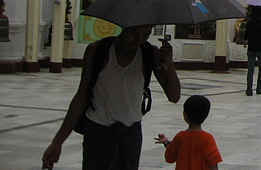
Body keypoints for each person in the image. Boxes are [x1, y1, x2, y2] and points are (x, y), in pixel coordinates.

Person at [42, 25, 181, 170]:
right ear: (124, 26)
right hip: (98, 132)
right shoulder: (98, 50)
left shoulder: (149, 53)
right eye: (134, 33)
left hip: (130, 134)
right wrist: (57, 142)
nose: (138, 40)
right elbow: (81, 96)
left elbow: (174, 96)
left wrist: (169, 64)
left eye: (145, 35)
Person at [155, 95, 222, 170]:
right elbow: (213, 164)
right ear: (205, 115)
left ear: (185, 115)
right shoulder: (208, 138)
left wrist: (167, 143)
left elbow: (170, 158)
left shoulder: (180, 137)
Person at [244, 5, 261, 96]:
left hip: (251, 48)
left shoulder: (249, 23)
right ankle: (259, 88)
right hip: (260, 48)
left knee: (250, 69)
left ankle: (249, 89)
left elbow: (245, 36)